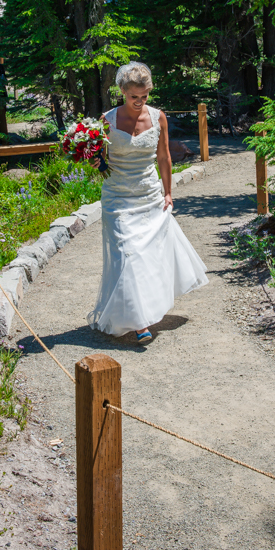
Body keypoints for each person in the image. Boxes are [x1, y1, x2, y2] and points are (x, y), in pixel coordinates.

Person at [88, 62, 208, 342]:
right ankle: (139, 322)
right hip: (117, 197)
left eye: (144, 96)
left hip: (149, 195)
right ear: (122, 91)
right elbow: (100, 158)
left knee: (146, 256)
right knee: (126, 254)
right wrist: (94, 161)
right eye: (134, 97)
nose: (139, 102)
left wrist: (168, 192)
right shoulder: (106, 120)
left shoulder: (158, 117)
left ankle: (144, 312)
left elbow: (164, 156)